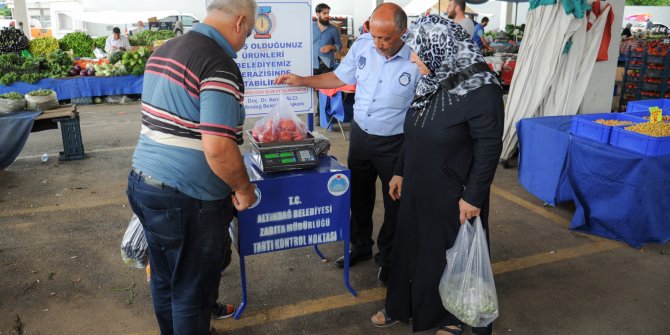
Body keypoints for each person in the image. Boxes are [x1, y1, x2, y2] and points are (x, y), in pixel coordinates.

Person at [126, 0, 258, 333]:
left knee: (165, 280)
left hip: (143, 185)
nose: (248, 39)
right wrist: (244, 188)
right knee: (192, 295)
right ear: (241, 21)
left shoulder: (166, 49)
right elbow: (218, 148)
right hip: (187, 200)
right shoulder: (218, 63)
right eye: (251, 30)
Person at [370, 15, 503, 335]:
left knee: (442, 256)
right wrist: (400, 171)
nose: (413, 58)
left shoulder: (482, 88)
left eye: (417, 51)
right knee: (410, 247)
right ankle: (402, 305)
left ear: (439, 48)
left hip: (452, 190)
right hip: (418, 183)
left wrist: (473, 195)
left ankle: (449, 316)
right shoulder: (432, 79)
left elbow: (488, 147)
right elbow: (413, 131)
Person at [276, 3, 419, 285]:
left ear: (403, 31)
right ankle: (360, 246)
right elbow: (339, 77)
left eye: (386, 39)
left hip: (396, 143)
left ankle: (388, 258)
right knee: (359, 196)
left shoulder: (416, 58)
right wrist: (303, 81)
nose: (378, 44)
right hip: (362, 138)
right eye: (375, 36)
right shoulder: (364, 45)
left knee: (395, 204)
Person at [313, 3, 342, 76]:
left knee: (325, 87)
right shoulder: (310, 27)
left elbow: (339, 45)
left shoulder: (333, 29)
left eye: (328, 13)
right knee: (312, 86)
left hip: (327, 65)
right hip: (312, 64)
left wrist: (330, 47)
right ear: (317, 14)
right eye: (324, 13)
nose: (327, 16)